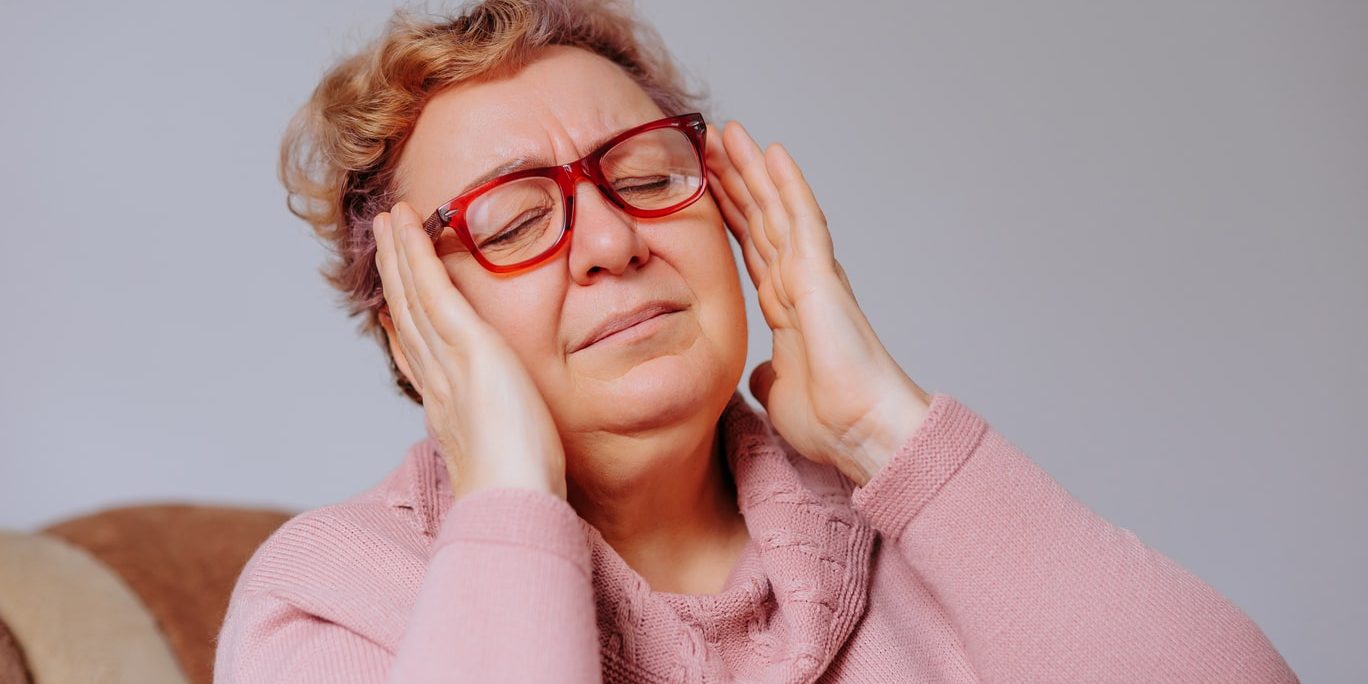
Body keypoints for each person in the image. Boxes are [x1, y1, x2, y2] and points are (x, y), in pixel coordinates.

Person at [213, 1, 1298, 682]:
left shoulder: (918, 547)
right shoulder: (333, 598)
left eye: (645, 177)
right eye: (515, 223)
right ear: (415, 327)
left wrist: (886, 431)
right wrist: (507, 492)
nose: (610, 239)